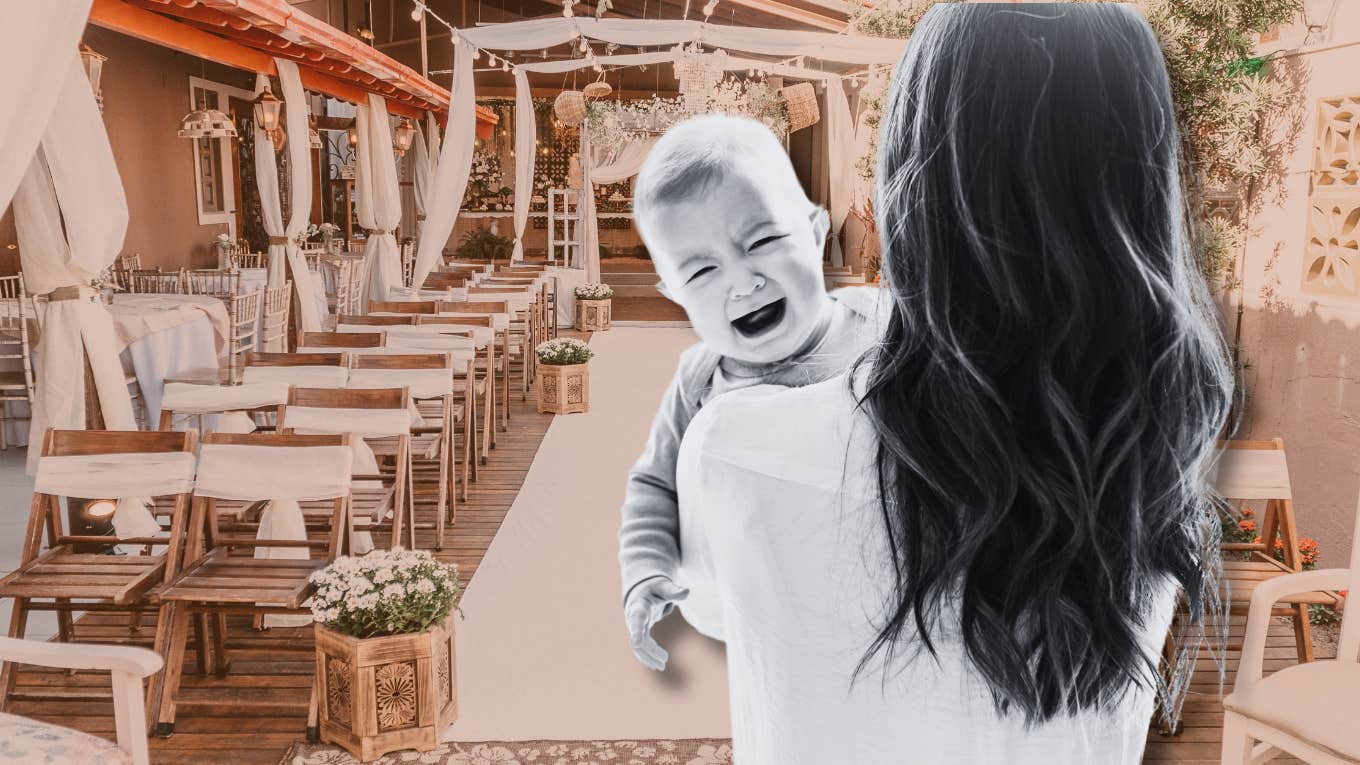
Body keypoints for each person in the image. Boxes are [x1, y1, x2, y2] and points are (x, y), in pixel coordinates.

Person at [673, 3, 1236, 763]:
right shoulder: (1141, 471)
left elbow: (714, 607)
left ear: (909, 186)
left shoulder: (736, 448)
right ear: (1144, 202)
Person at [617, 114, 885, 670]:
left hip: (875, 602)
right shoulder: (699, 381)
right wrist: (647, 573)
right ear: (674, 296)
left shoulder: (880, 335)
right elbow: (653, 487)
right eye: (701, 272)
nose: (742, 282)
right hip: (756, 611)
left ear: (815, 233)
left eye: (761, 240)